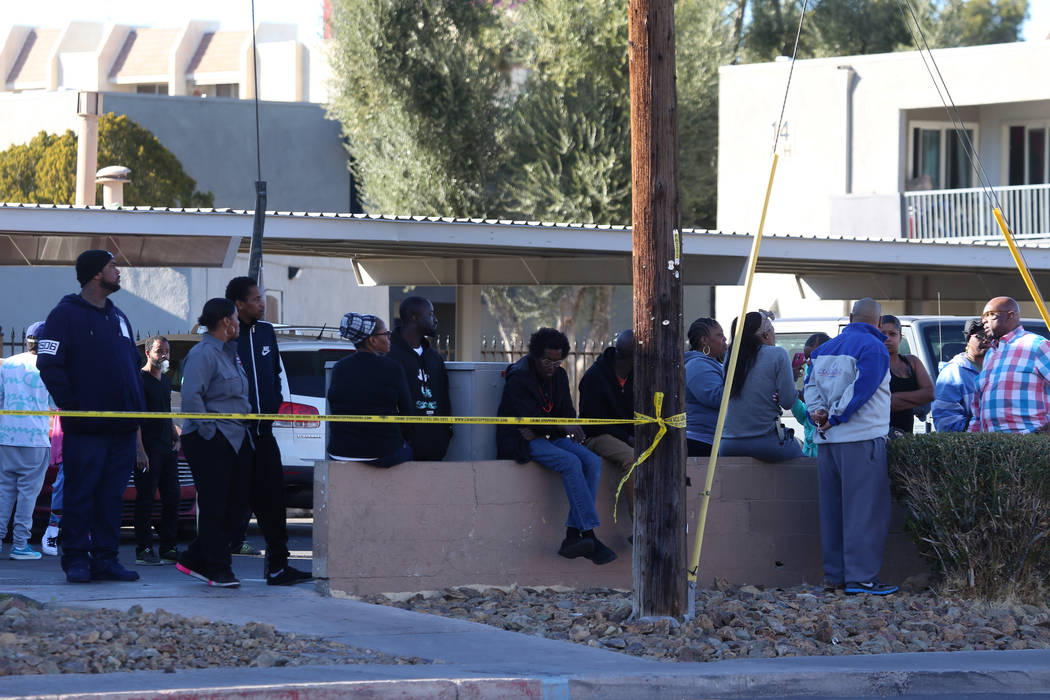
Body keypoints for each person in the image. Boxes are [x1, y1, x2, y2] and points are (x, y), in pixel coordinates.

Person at [37, 250, 148, 584]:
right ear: (96, 274)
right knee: (80, 494)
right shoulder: (64, 315)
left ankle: (106, 559)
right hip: (86, 430)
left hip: (123, 429)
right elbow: (49, 364)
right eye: (113, 266)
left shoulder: (119, 318)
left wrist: (136, 415)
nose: (119, 271)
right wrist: (75, 407)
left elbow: (130, 366)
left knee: (111, 498)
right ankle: (75, 559)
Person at [497, 328, 616, 565]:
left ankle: (573, 535)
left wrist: (562, 425)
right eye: (546, 360)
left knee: (591, 461)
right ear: (534, 355)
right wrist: (557, 426)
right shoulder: (519, 376)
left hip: (547, 435)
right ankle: (588, 534)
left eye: (557, 361)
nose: (552, 366)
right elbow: (528, 418)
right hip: (522, 440)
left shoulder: (560, 377)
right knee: (570, 461)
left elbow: (566, 413)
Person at [804, 297, 897, 596]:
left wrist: (818, 415)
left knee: (833, 511)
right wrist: (836, 417)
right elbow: (863, 389)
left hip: (827, 442)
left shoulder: (822, 350)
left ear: (850, 316)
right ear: (879, 323)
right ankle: (862, 579)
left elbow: (810, 388)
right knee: (864, 512)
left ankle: (835, 576)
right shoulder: (875, 348)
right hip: (861, 438)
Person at [224, 277, 310, 586]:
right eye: (256, 299)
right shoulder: (226, 336)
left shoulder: (265, 332)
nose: (262, 303)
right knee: (232, 504)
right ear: (239, 304)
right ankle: (216, 564)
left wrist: (272, 403)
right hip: (235, 436)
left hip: (264, 433)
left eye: (262, 298)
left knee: (273, 501)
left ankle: (278, 566)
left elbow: (274, 371)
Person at [176, 298, 253, 588]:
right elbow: (192, 398)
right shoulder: (203, 353)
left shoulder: (230, 353)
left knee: (239, 507)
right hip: (211, 438)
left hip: (236, 436)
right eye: (235, 317)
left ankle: (194, 557)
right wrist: (211, 433)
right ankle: (217, 569)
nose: (238, 323)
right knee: (214, 506)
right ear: (225, 322)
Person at [328, 313, 415, 468]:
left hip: (339, 451)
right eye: (386, 334)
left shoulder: (339, 367)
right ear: (373, 340)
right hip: (381, 452)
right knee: (411, 451)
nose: (389, 338)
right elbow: (408, 414)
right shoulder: (392, 367)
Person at [0, 321, 55, 560]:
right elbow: (55, 404)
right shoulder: (49, 367)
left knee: (4, 492)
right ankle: (20, 544)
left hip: (7, 437)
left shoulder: (8, 364)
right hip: (35, 439)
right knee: (27, 495)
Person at [720, 311, 803, 461]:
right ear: (765, 335)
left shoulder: (731, 357)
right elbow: (788, 401)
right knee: (804, 462)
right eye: (772, 331)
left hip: (728, 443)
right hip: (766, 442)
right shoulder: (778, 354)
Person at [970, 296, 1050, 433]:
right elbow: (978, 410)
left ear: (1010, 316)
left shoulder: (1037, 346)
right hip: (992, 447)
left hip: (1031, 446)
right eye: (983, 316)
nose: (984, 320)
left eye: (990, 315)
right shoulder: (990, 354)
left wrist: (1044, 434)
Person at [579, 330, 636, 519]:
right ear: (630, 357)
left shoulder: (637, 376)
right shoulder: (594, 377)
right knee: (632, 458)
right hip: (597, 436)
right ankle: (638, 522)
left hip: (626, 434)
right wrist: (627, 438)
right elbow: (593, 423)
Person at [386, 296, 453, 460]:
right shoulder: (389, 355)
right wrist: (404, 435)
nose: (435, 320)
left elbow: (444, 397)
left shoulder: (435, 358)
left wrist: (446, 431)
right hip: (402, 447)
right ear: (414, 317)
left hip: (436, 445)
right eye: (430, 314)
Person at [134, 336, 180, 566]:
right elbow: (136, 421)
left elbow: (166, 411)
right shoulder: (139, 380)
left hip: (167, 448)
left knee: (172, 497)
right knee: (146, 499)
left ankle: (168, 547)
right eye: (160, 351)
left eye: (167, 351)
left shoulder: (165, 381)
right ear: (148, 352)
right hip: (148, 448)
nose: (164, 355)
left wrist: (175, 435)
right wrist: (140, 451)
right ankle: (143, 549)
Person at [880, 315, 934, 436]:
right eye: (882, 334)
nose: (887, 338)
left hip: (905, 439)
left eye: (892, 334)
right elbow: (880, 404)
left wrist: (894, 398)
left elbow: (930, 393)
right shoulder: (873, 365)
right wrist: (916, 398)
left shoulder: (912, 362)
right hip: (879, 437)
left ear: (900, 337)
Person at [932, 319, 988, 432]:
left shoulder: (998, 369)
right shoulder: (953, 371)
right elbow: (945, 422)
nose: (986, 340)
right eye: (980, 336)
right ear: (968, 340)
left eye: (991, 336)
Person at [684, 318, 728, 457]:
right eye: (719, 335)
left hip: (712, 440)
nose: (725, 339)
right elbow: (717, 398)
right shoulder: (697, 365)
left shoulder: (710, 364)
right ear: (704, 340)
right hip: (702, 442)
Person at [791, 333, 832, 458]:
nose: (808, 361)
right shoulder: (810, 372)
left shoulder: (836, 375)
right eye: (807, 356)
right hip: (810, 451)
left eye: (813, 356)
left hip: (827, 448)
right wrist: (791, 386)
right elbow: (804, 415)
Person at [41, 416, 63, 556]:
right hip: (69, 429)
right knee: (62, 484)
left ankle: (88, 535)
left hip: (94, 434)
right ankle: (52, 530)